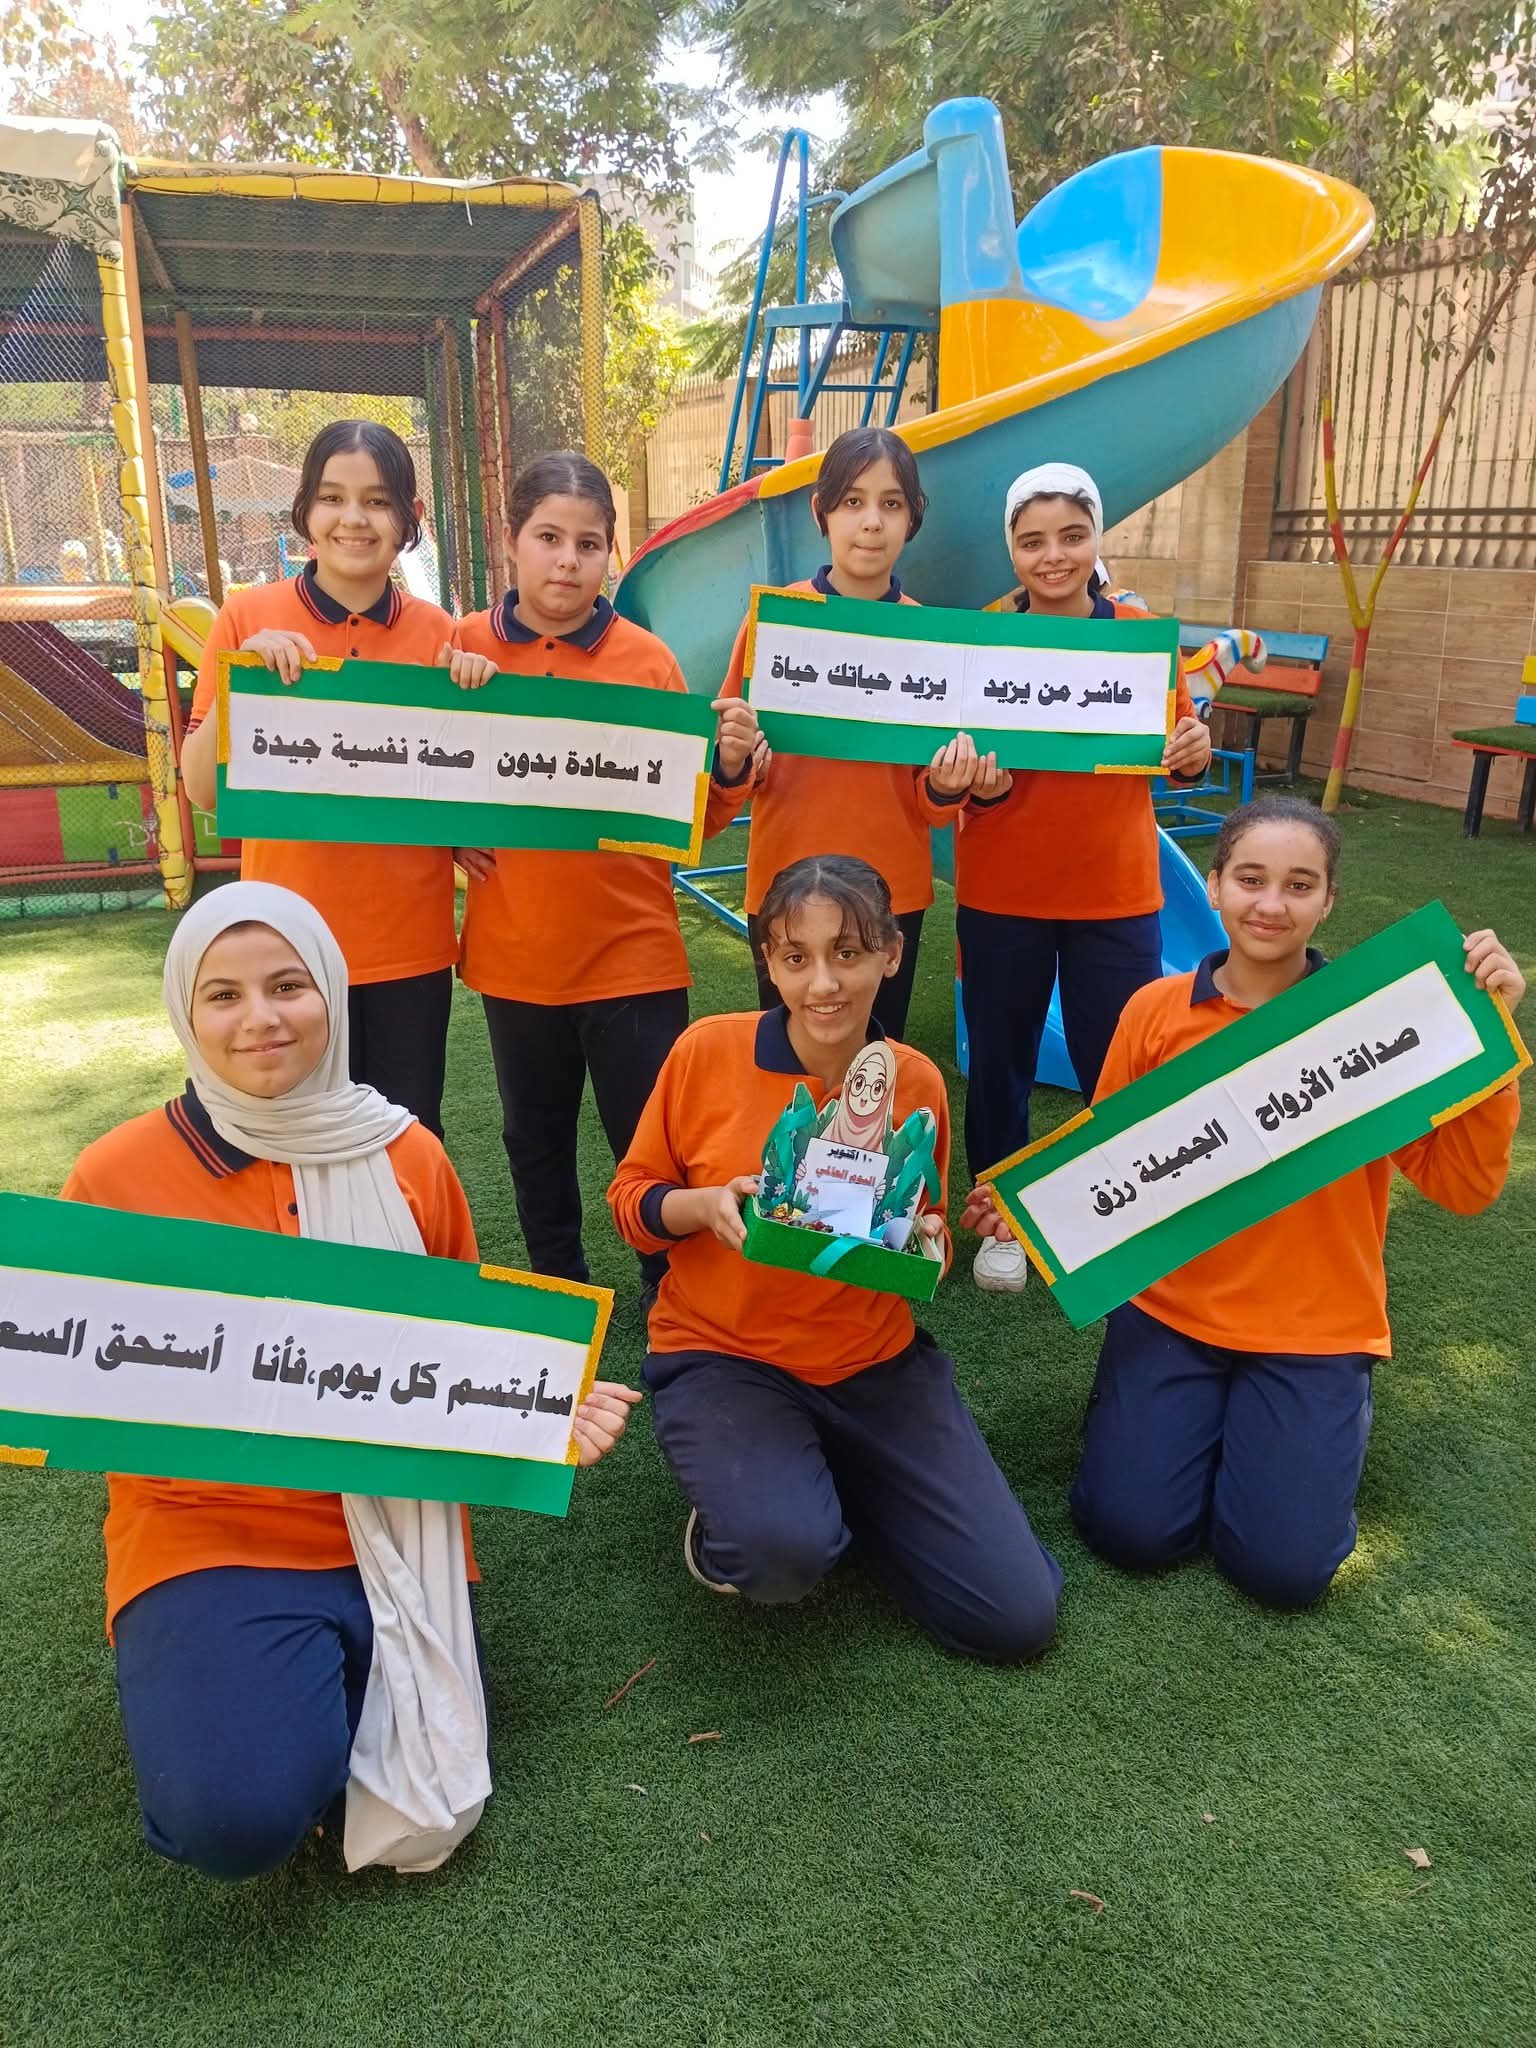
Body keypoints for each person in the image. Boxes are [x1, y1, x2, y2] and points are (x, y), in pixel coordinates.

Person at [62, 881, 638, 1881]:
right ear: (185, 1011)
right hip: (209, 1531)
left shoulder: (407, 1155)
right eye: (224, 995)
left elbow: (457, 1352)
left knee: (407, 1769)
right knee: (235, 1816)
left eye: (288, 985)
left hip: (400, 1519)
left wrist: (545, 1412)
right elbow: (72, 1367)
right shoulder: (114, 1179)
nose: (261, 1017)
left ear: (331, 991)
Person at [965, 795, 1526, 1608]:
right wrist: (1025, 1209)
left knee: (1283, 1571)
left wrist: (1490, 1045)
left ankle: (1300, 1432)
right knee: (1130, 1532)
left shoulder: (1372, 1025)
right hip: (1173, 1310)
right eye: (1251, 879)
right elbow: (1108, 1165)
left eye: (1300, 885)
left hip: (1317, 1325)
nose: (1271, 904)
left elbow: (1466, 1188)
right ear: (1215, 885)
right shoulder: (1155, 1013)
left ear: (1329, 901)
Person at [608, 854, 1061, 1661]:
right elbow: (632, 1203)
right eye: (797, 957)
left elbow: (919, 1227)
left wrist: (936, 1242)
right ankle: (763, 1502)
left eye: (848, 953)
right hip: (726, 1356)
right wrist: (704, 1207)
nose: (823, 983)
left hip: (874, 1363)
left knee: (1016, 1619)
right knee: (780, 1556)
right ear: (769, 961)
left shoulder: (915, 1082)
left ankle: (831, 1481)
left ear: (891, 953)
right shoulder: (706, 1052)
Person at [443, 450, 762, 1298]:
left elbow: (691, 820)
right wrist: (444, 833)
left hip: (634, 958)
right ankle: (559, 1289)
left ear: (610, 554)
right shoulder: (462, 649)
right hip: (516, 958)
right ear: (512, 540)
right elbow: (416, 773)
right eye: (548, 538)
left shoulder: (648, 661)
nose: (567, 562)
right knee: (534, 1139)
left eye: (588, 544)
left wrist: (730, 768)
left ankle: (672, 1294)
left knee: (652, 1144)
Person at [957, 461, 1212, 1293]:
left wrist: (1191, 751)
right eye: (1032, 541)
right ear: (1011, 550)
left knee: (1120, 1063)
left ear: (1097, 536)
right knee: (1000, 1064)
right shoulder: (982, 642)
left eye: (1072, 535)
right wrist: (976, 787)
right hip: (1003, 893)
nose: (1053, 556)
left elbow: (1177, 747)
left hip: (1116, 893)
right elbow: (952, 770)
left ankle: (1115, 1209)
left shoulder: (1139, 637)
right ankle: (1002, 1221)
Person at [181, 420, 464, 1136]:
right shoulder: (248, 617)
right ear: (305, 510)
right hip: (282, 947)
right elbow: (202, 790)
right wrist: (242, 677)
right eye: (333, 498)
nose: (354, 519)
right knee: (289, 1138)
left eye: (377, 500)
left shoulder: (440, 635)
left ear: (410, 516)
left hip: (408, 944)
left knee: (403, 1136)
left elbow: (466, 786)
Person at [719, 425, 1010, 1039]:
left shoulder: (930, 639)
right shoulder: (776, 623)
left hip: (891, 893)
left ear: (913, 516)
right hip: (783, 886)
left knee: (875, 1062)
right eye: (853, 501)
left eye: (891, 503)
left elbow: (932, 804)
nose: (872, 522)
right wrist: (738, 759)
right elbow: (730, 772)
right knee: (787, 1061)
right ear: (820, 511)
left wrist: (946, 786)